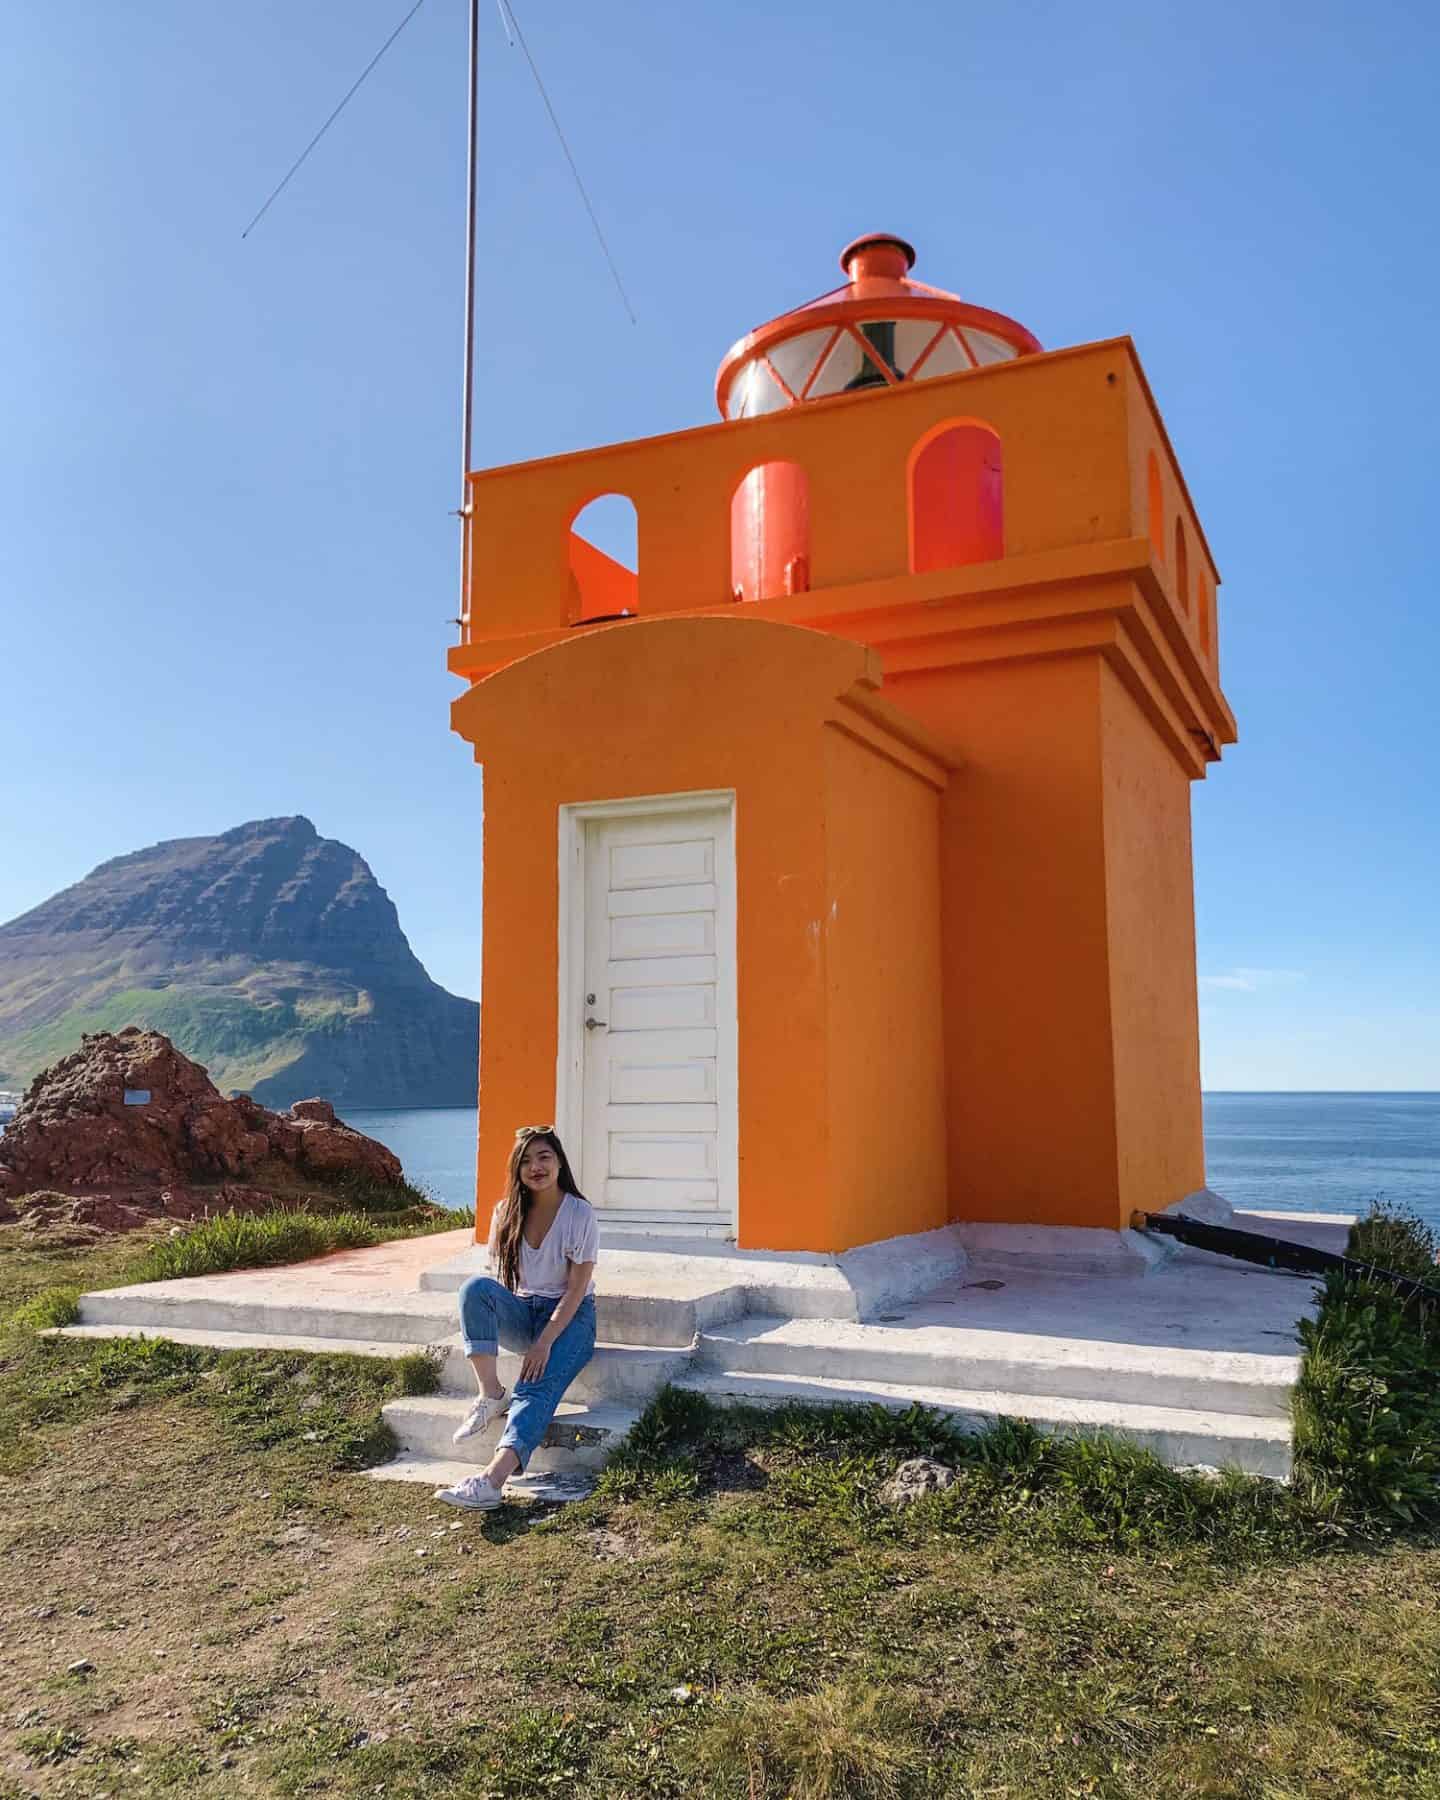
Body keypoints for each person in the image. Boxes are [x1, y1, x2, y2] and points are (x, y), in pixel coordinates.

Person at [434, 1126, 598, 1511]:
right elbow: (502, 1281)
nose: (535, 1167)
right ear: (516, 1169)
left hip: (571, 1319)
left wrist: (544, 1342)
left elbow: (576, 1289)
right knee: (475, 1289)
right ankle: (491, 1394)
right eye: (525, 1161)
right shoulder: (506, 1212)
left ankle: (491, 1481)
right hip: (527, 1311)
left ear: (559, 1162)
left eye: (544, 1157)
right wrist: (528, 1330)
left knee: (534, 1386)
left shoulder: (579, 1212)